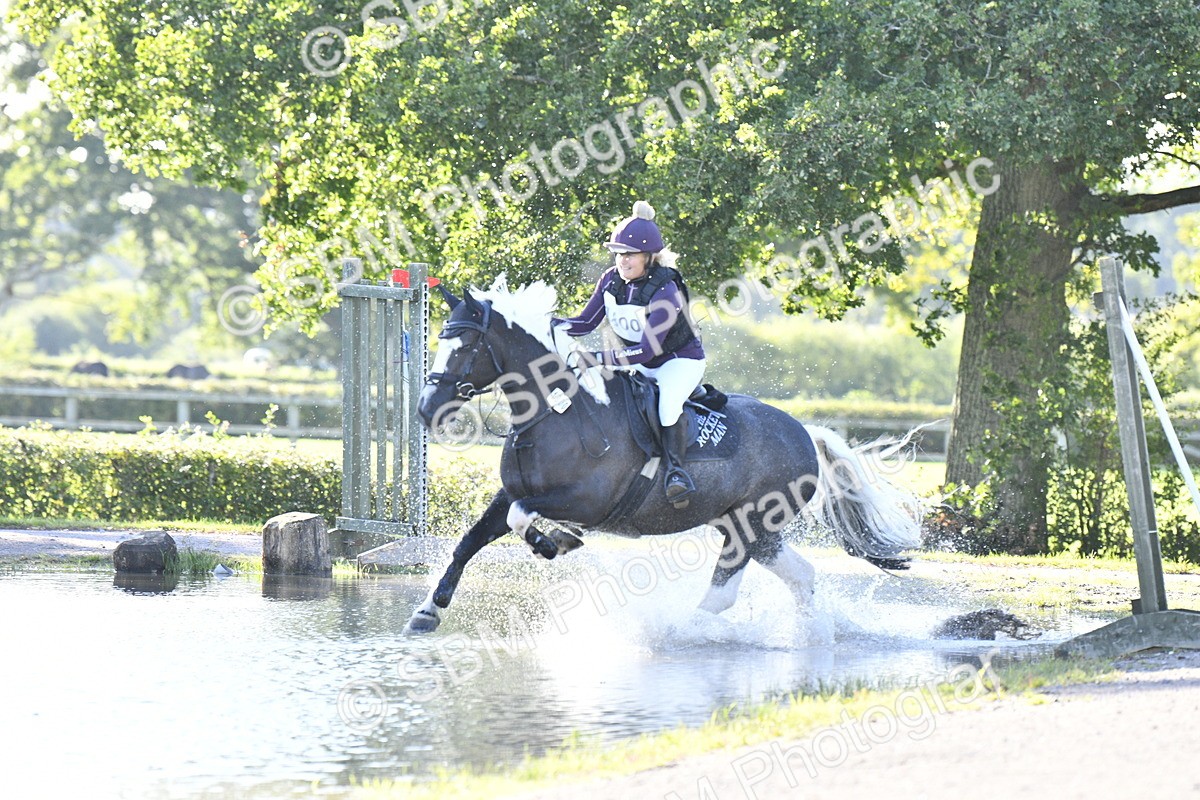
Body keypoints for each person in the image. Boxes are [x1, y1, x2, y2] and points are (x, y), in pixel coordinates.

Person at [555, 200, 705, 508]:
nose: (622, 260)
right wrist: (546, 324)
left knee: (667, 405)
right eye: (619, 253)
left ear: (649, 257)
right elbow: (584, 322)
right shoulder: (610, 279)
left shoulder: (666, 289)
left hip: (678, 363)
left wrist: (596, 358)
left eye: (630, 254)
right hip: (638, 362)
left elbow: (647, 350)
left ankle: (676, 473)